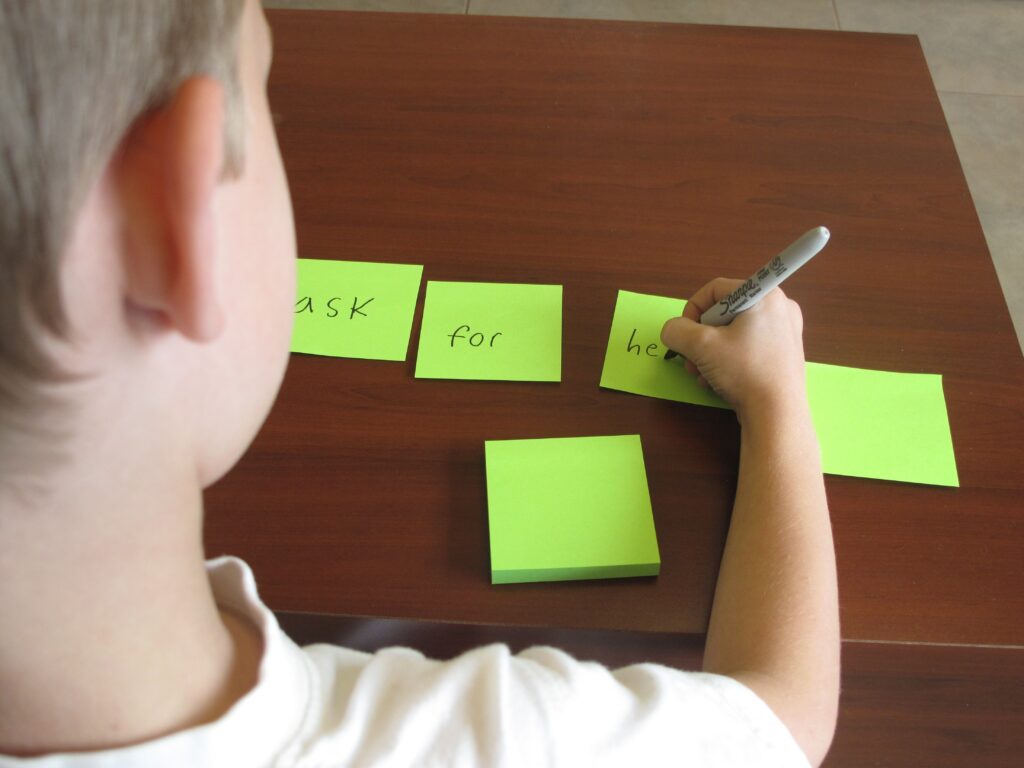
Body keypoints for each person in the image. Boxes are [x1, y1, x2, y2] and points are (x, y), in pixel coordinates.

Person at [0, 1, 840, 765]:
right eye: (268, 103)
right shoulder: (508, 743)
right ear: (169, 221)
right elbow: (780, 718)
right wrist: (778, 405)